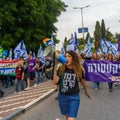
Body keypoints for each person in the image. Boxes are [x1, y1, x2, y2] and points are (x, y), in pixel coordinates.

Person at [53, 50, 90, 120]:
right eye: (65, 56)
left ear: (73, 58)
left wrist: (86, 91)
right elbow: (55, 82)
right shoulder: (61, 69)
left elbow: (83, 82)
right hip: (62, 97)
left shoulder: (79, 70)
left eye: (69, 56)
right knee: (67, 116)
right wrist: (55, 68)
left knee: (71, 118)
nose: (66, 58)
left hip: (74, 97)